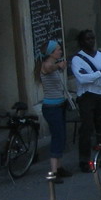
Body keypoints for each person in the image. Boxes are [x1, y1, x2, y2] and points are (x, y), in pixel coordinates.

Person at [70, 29, 101, 172]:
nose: (91, 41)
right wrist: (99, 74)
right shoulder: (77, 59)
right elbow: (82, 78)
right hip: (86, 96)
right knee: (86, 129)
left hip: (100, 95)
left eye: (92, 38)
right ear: (81, 41)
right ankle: (84, 160)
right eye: (87, 39)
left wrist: (93, 77)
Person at [35, 40, 72, 181]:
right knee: (57, 137)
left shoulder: (53, 64)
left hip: (59, 105)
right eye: (57, 50)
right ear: (51, 53)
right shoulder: (46, 65)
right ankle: (54, 171)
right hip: (52, 108)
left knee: (61, 136)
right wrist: (60, 66)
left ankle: (59, 167)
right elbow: (50, 68)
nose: (60, 51)